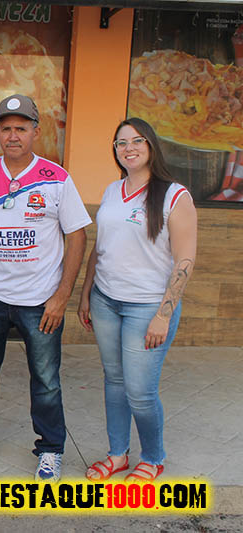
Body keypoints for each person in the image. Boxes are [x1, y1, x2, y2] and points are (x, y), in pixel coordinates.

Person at [0, 94, 91, 482]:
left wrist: (61, 297)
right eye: (6, 128)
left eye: (21, 128)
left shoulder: (56, 178)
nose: (13, 135)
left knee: (46, 381)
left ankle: (50, 449)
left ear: (35, 132)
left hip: (41, 301)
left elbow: (77, 236)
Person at [79, 118, 197, 482]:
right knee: (114, 381)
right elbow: (101, 248)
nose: (128, 148)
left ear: (151, 145)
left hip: (147, 307)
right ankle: (117, 454)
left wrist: (163, 314)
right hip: (105, 301)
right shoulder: (113, 191)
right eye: (121, 142)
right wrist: (86, 294)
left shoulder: (174, 195)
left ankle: (153, 456)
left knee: (140, 392)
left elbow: (185, 260)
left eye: (137, 140)